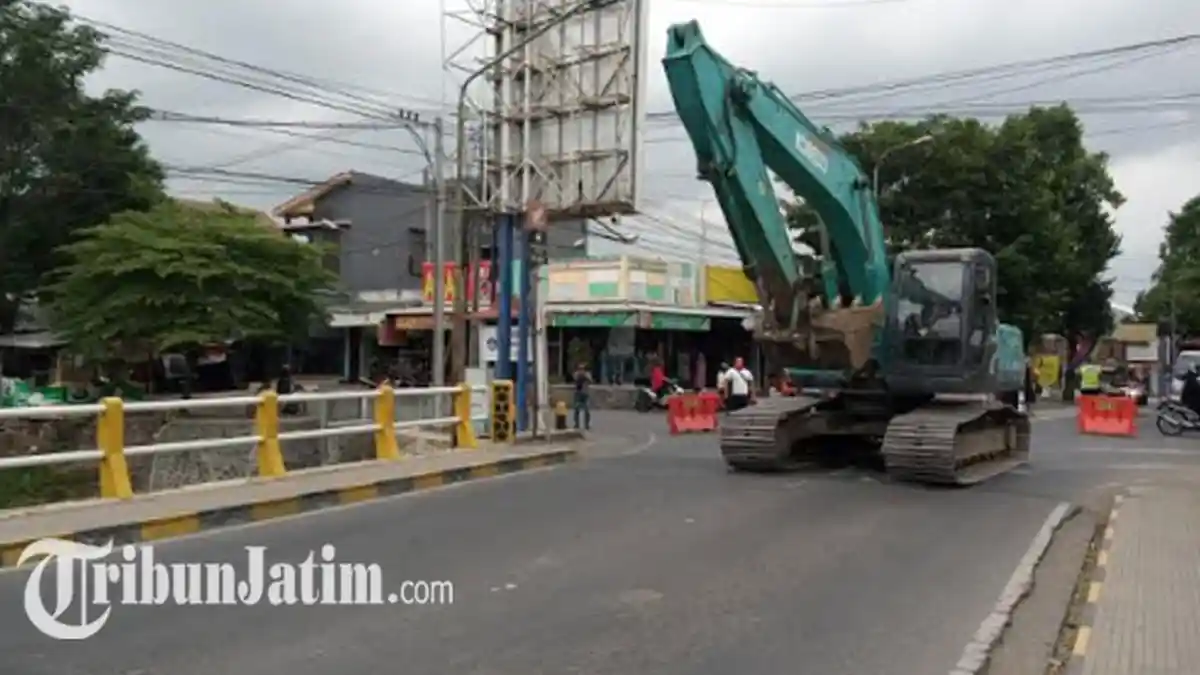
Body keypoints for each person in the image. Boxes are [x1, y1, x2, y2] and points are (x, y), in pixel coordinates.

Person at [572, 362, 592, 430]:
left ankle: (587, 425)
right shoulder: (576, 374)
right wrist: (580, 375)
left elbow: (590, 381)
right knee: (576, 409)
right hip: (578, 393)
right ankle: (576, 424)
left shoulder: (587, 374)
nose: (581, 370)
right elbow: (575, 379)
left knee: (587, 410)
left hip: (585, 393)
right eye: (580, 368)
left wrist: (585, 376)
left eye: (582, 368)